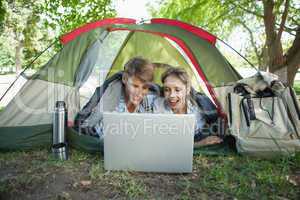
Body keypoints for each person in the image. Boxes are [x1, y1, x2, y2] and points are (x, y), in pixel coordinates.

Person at [76, 56, 158, 137]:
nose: (139, 93)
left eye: (145, 88)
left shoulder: (151, 100)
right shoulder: (114, 105)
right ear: (125, 79)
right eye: (135, 86)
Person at [153, 67, 222, 146]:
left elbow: (216, 122)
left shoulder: (198, 108)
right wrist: (200, 143)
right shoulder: (158, 105)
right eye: (167, 89)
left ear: (187, 89)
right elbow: (163, 142)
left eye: (177, 90)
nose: (171, 95)